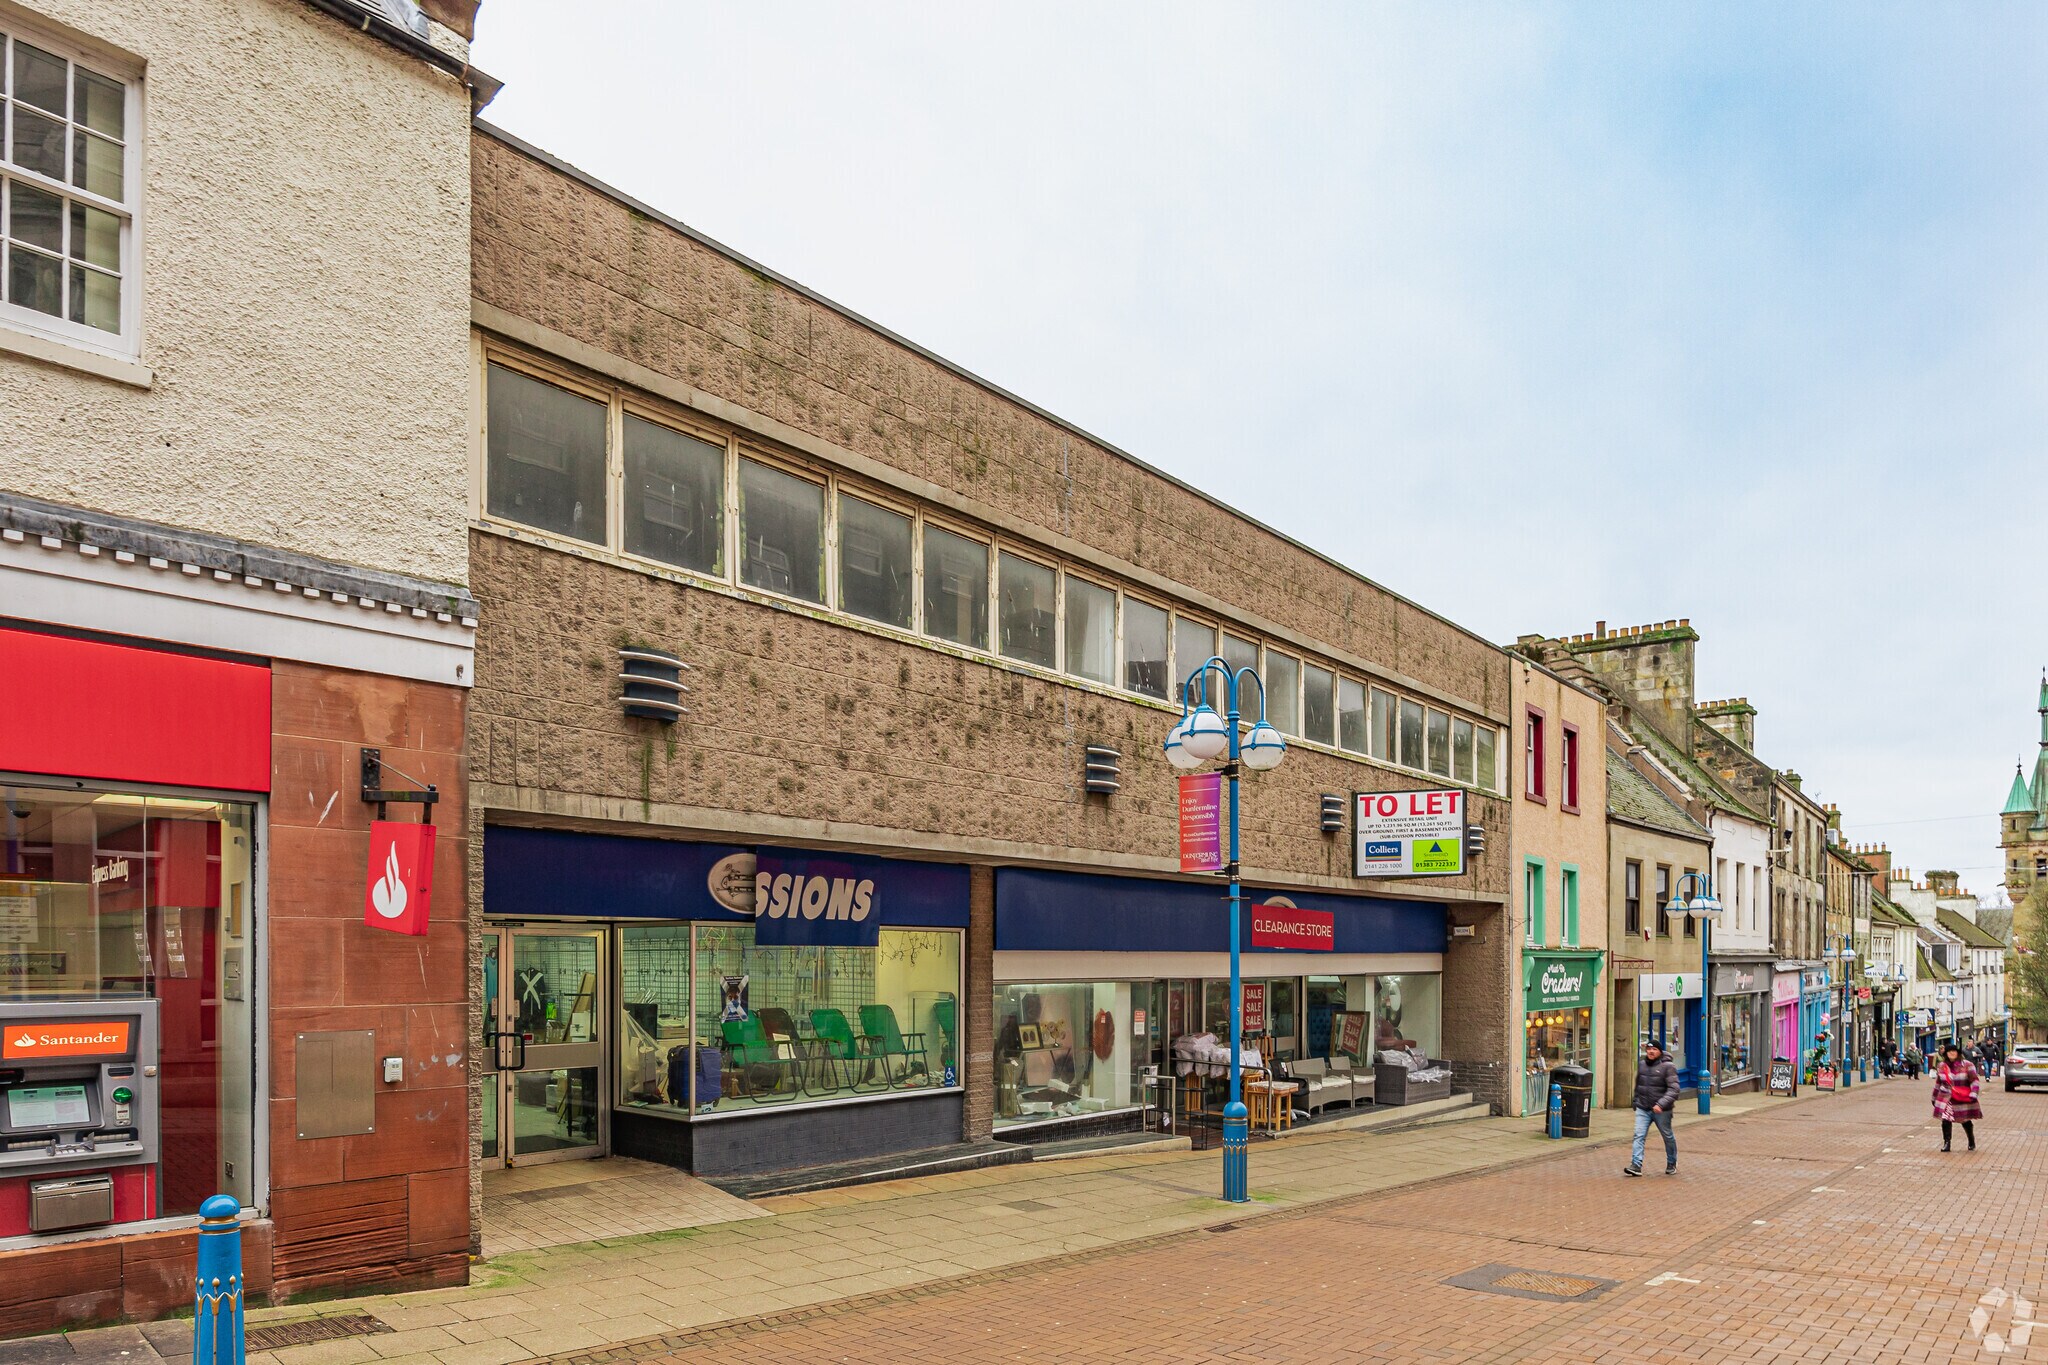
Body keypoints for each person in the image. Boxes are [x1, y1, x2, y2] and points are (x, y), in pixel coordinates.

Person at [1624, 1040, 1680, 1177]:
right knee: (1639, 1135)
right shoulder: (1642, 1065)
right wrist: (1635, 1101)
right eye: (1649, 1049)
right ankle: (1636, 1165)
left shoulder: (1668, 1067)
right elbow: (1638, 1085)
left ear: (1660, 1051)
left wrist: (1661, 1104)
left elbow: (1674, 1089)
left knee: (1667, 1136)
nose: (1650, 1052)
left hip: (1662, 1110)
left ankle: (1671, 1162)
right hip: (1643, 1107)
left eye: (1654, 1049)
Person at [1933, 1041, 1983, 1152]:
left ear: (1958, 1053)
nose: (1951, 1053)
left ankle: (1971, 1139)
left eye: (1953, 1051)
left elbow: (1974, 1081)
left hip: (1961, 1097)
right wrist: (1934, 1097)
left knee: (1964, 1120)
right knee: (1946, 1119)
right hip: (1946, 1097)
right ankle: (1947, 1143)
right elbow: (1938, 1082)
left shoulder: (1967, 1065)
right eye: (1949, 1051)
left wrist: (1973, 1093)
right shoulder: (1942, 1066)